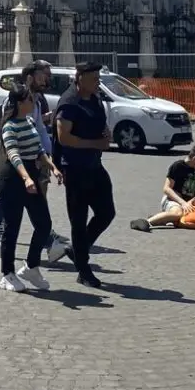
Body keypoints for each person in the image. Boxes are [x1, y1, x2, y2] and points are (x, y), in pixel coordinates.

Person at [0, 63, 69, 266]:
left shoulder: (35, 102)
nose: (46, 79)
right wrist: (27, 174)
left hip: (34, 163)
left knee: (31, 212)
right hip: (19, 168)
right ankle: (7, 255)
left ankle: (33, 253)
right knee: (15, 213)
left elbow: (36, 133)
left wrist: (50, 163)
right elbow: (12, 146)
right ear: (30, 76)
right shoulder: (18, 104)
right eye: (42, 75)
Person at [55, 61, 116, 289]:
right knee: (78, 221)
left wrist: (105, 133)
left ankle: (76, 250)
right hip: (75, 168)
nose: (97, 81)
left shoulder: (95, 99)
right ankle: (83, 269)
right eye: (93, 78)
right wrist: (95, 142)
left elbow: (98, 124)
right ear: (80, 78)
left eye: (98, 78)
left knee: (106, 212)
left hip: (94, 165)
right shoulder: (69, 102)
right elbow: (64, 137)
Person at [0, 81, 56, 292]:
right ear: (21, 102)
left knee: (44, 223)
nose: (34, 102)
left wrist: (52, 167)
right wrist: (26, 178)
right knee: (12, 228)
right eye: (30, 99)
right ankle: (7, 274)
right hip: (13, 179)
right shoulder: (9, 126)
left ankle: (31, 266)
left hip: (32, 176)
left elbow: (39, 150)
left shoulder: (29, 121)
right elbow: (13, 155)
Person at [129, 144, 195, 231]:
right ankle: (146, 222)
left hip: (187, 203)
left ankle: (164, 218)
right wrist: (182, 203)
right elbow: (166, 188)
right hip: (172, 200)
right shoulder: (178, 166)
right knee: (178, 214)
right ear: (194, 159)